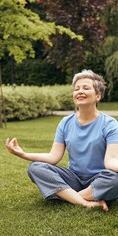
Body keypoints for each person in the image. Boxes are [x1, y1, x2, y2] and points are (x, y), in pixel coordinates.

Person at [6, 69, 118, 212]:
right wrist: (24, 154)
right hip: (73, 179)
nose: (80, 91)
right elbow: (54, 157)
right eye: (76, 89)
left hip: (99, 179)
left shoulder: (110, 124)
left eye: (86, 88)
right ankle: (86, 201)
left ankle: (69, 197)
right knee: (36, 168)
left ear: (98, 95)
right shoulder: (65, 122)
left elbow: (110, 162)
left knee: (115, 178)